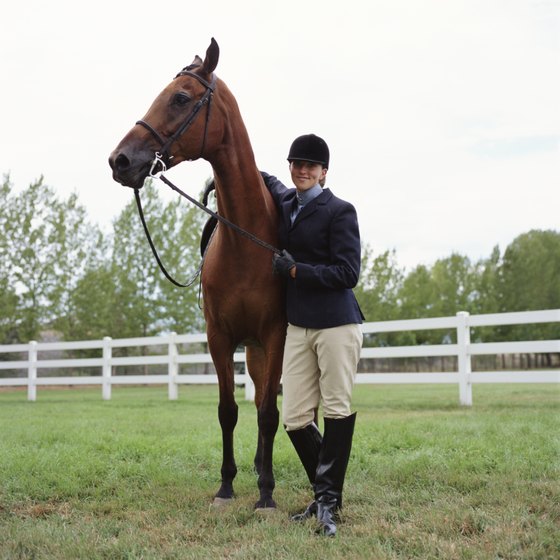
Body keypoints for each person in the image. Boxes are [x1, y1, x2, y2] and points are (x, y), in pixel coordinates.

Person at [261, 133, 364, 537]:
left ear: (324, 172)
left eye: (310, 166)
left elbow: (347, 273)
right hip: (298, 325)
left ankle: (326, 505)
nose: (302, 170)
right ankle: (329, 494)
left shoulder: (340, 211)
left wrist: (295, 271)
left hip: (337, 323)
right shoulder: (286, 200)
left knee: (336, 408)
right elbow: (265, 180)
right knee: (295, 417)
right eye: (296, 164)